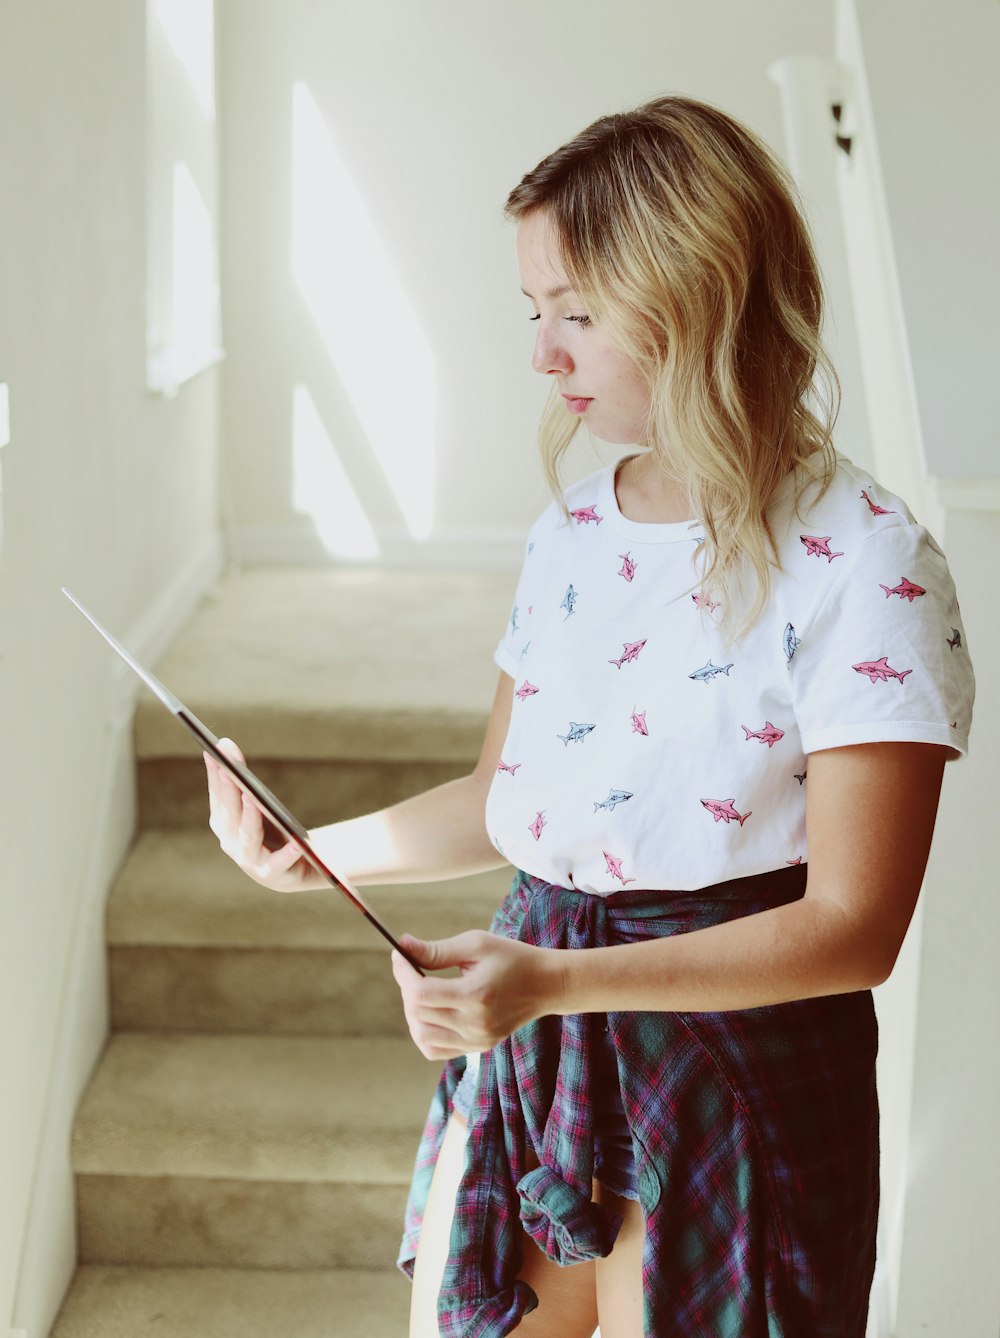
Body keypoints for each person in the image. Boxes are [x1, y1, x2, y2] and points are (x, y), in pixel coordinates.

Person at [204, 96, 975, 1338]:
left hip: (732, 1070)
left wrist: (555, 981)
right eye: (533, 313)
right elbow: (508, 796)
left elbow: (852, 930)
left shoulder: (864, 562)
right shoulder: (570, 533)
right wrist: (313, 857)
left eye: (575, 314)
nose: (541, 354)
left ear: (698, 299)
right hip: (535, 1044)